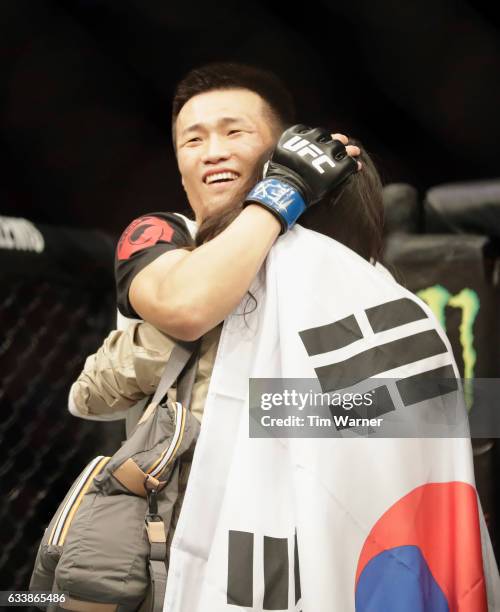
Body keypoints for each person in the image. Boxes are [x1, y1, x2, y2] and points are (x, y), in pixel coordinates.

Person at [70, 59, 371, 558]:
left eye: (235, 132)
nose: (213, 152)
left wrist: (347, 207)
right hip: (188, 527)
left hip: (315, 524)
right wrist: (284, 192)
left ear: (283, 149)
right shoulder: (165, 236)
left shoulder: (337, 261)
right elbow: (89, 395)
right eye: (193, 140)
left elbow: (412, 408)